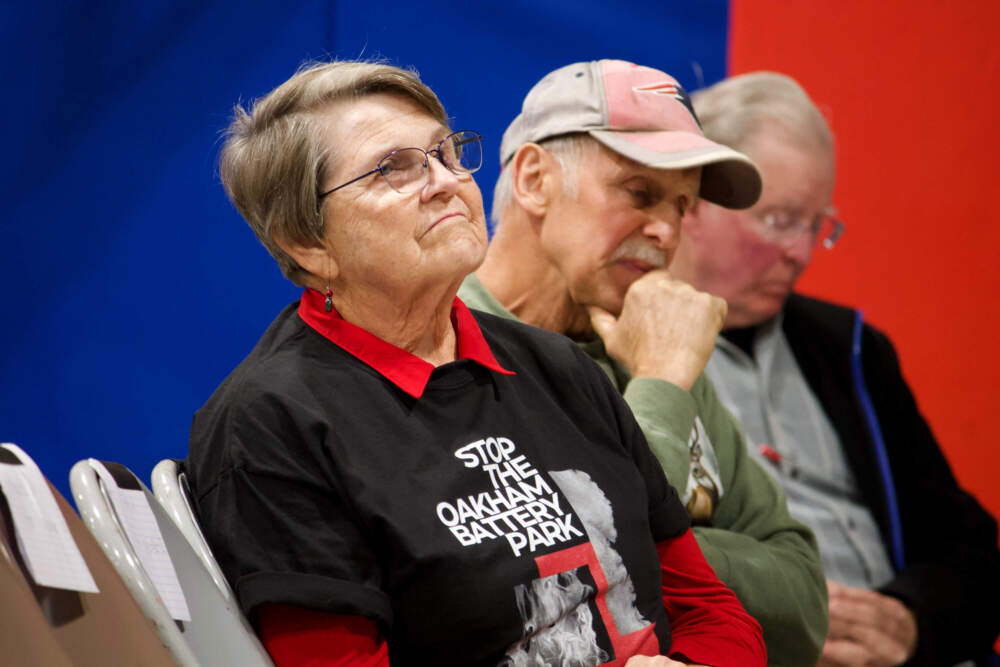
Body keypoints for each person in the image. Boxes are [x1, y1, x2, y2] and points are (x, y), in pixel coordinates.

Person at [185, 60, 766, 667]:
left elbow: (713, 610)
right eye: (395, 169)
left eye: (446, 153)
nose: (445, 181)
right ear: (306, 240)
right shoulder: (271, 423)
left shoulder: (557, 366)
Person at [460, 59, 827, 666]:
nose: (666, 230)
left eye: (682, 206)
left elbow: (806, 604)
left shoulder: (657, 342)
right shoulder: (444, 349)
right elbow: (540, 587)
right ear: (533, 180)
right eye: (640, 192)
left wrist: (660, 551)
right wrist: (658, 386)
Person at [668, 71, 1000, 666]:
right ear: (693, 201)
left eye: (816, 225)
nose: (798, 252)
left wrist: (911, 621)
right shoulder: (621, 348)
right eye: (779, 219)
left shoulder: (848, 350)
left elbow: (969, 546)